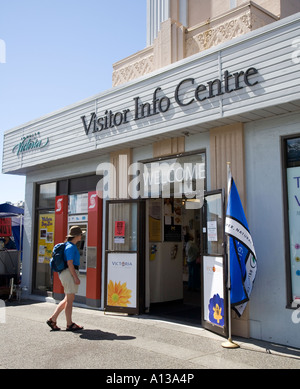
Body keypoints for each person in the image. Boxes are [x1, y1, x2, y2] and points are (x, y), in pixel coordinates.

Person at [47, 226, 84, 332]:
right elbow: (70, 263)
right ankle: (69, 324)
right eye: (81, 234)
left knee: (67, 299)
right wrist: (76, 277)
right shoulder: (71, 247)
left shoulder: (68, 245)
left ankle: (52, 319)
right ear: (76, 236)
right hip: (69, 273)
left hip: (66, 273)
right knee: (70, 300)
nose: (82, 236)